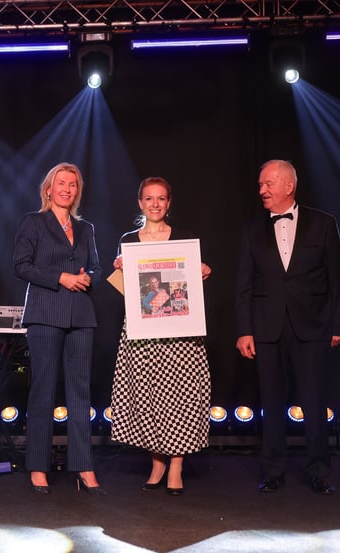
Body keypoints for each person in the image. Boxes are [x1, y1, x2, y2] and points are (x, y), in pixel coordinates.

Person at [235, 159, 340, 495]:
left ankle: (319, 471)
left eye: (268, 184)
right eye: (260, 185)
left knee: (314, 401)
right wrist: (244, 330)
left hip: (313, 326)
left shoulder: (324, 224)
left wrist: (338, 324)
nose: (262, 190)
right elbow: (244, 284)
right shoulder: (252, 229)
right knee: (271, 402)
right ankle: (273, 471)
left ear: (289, 185)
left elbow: (338, 279)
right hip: (266, 328)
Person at [110, 176, 212, 496]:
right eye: (149, 198)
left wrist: (200, 271)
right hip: (143, 333)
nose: (155, 204)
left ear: (169, 203)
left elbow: (185, 287)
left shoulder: (184, 238)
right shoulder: (128, 240)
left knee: (180, 397)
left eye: (161, 199)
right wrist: (120, 271)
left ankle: (176, 466)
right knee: (148, 397)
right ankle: (157, 463)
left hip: (179, 334)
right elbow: (128, 292)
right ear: (140, 203)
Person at [13, 162, 105, 495]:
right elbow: (21, 266)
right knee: (43, 390)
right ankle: (38, 466)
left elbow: (95, 267)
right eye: (61, 183)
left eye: (72, 184)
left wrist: (88, 278)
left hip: (81, 316)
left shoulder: (86, 228)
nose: (67, 189)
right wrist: (61, 278)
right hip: (45, 314)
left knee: (80, 393)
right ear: (49, 189)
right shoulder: (33, 222)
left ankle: (83, 466)